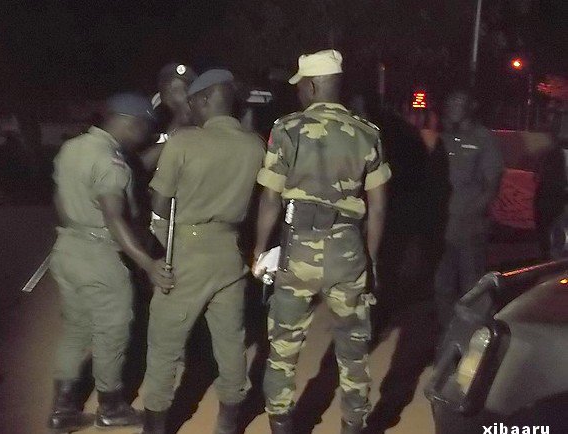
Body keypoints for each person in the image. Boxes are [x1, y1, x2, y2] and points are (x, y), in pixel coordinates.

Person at [251, 49, 391, 434]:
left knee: (283, 346)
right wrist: (370, 259)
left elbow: (270, 198)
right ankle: (354, 424)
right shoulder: (367, 132)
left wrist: (259, 250)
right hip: (347, 251)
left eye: (301, 86)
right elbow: (379, 207)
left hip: (298, 250)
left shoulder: (287, 129)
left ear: (312, 86)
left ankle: (282, 423)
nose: (298, 93)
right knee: (354, 349)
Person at [140, 69, 265, 434]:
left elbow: (159, 203)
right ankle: (228, 425)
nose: (190, 108)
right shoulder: (255, 144)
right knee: (231, 343)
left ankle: (155, 426)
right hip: (229, 252)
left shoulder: (184, 141)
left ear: (207, 99)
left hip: (187, 252)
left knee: (164, 345)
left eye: (193, 101)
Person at [48, 93, 173, 432]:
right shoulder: (110, 162)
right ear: (130, 122)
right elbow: (114, 218)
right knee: (112, 332)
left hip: (67, 248)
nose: (144, 136)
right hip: (99, 256)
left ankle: (62, 410)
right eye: (144, 128)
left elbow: (59, 199)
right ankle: (111, 407)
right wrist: (146, 263)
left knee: (75, 331)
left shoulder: (72, 148)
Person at [434, 90, 504, 329]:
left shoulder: (484, 139)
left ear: (472, 106)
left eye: (460, 101)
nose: (453, 105)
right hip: (443, 227)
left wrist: (470, 215)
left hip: (470, 229)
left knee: (472, 288)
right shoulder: (443, 138)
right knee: (442, 285)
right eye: (450, 100)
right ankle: (447, 336)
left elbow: (491, 187)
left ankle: (473, 337)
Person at [141, 63, 198, 173]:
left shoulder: (198, 118)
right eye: (172, 88)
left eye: (185, 88)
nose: (180, 94)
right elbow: (139, 165)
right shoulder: (144, 117)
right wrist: (174, 132)